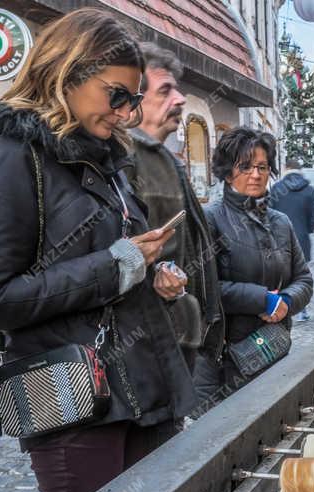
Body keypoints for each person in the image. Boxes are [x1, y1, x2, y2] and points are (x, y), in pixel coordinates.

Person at [0, 9, 196, 492]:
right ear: (68, 72)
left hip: (139, 385)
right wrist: (120, 265)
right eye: (118, 95)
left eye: (134, 100)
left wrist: (153, 272)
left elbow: (113, 259)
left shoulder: (108, 158)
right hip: (69, 397)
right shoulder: (12, 154)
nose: (127, 113)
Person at [193, 128, 313, 413]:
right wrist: (262, 299)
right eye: (245, 167)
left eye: (262, 167)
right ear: (227, 172)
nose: (256, 175)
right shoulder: (210, 219)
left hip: (271, 349)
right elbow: (202, 288)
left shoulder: (280, 222)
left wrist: (286, 301)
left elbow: (304, 279)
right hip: (223, 360)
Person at [125, 42, 224, 377]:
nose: (180, 99)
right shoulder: (122, 157)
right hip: (146, 341)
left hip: (178, 330)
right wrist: (157, 276)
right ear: (132, 97)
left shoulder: (164, 158)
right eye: (165, 90)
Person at [269, 158, 314, 323]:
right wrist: (305, 230)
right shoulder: (309, 190)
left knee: (280, 274)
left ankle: (279, 307)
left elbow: (267, 215)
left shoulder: (277, 188)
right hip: (302, 238)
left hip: (277, 239)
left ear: (286, 169)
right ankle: (301, 309)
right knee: (300, 275)